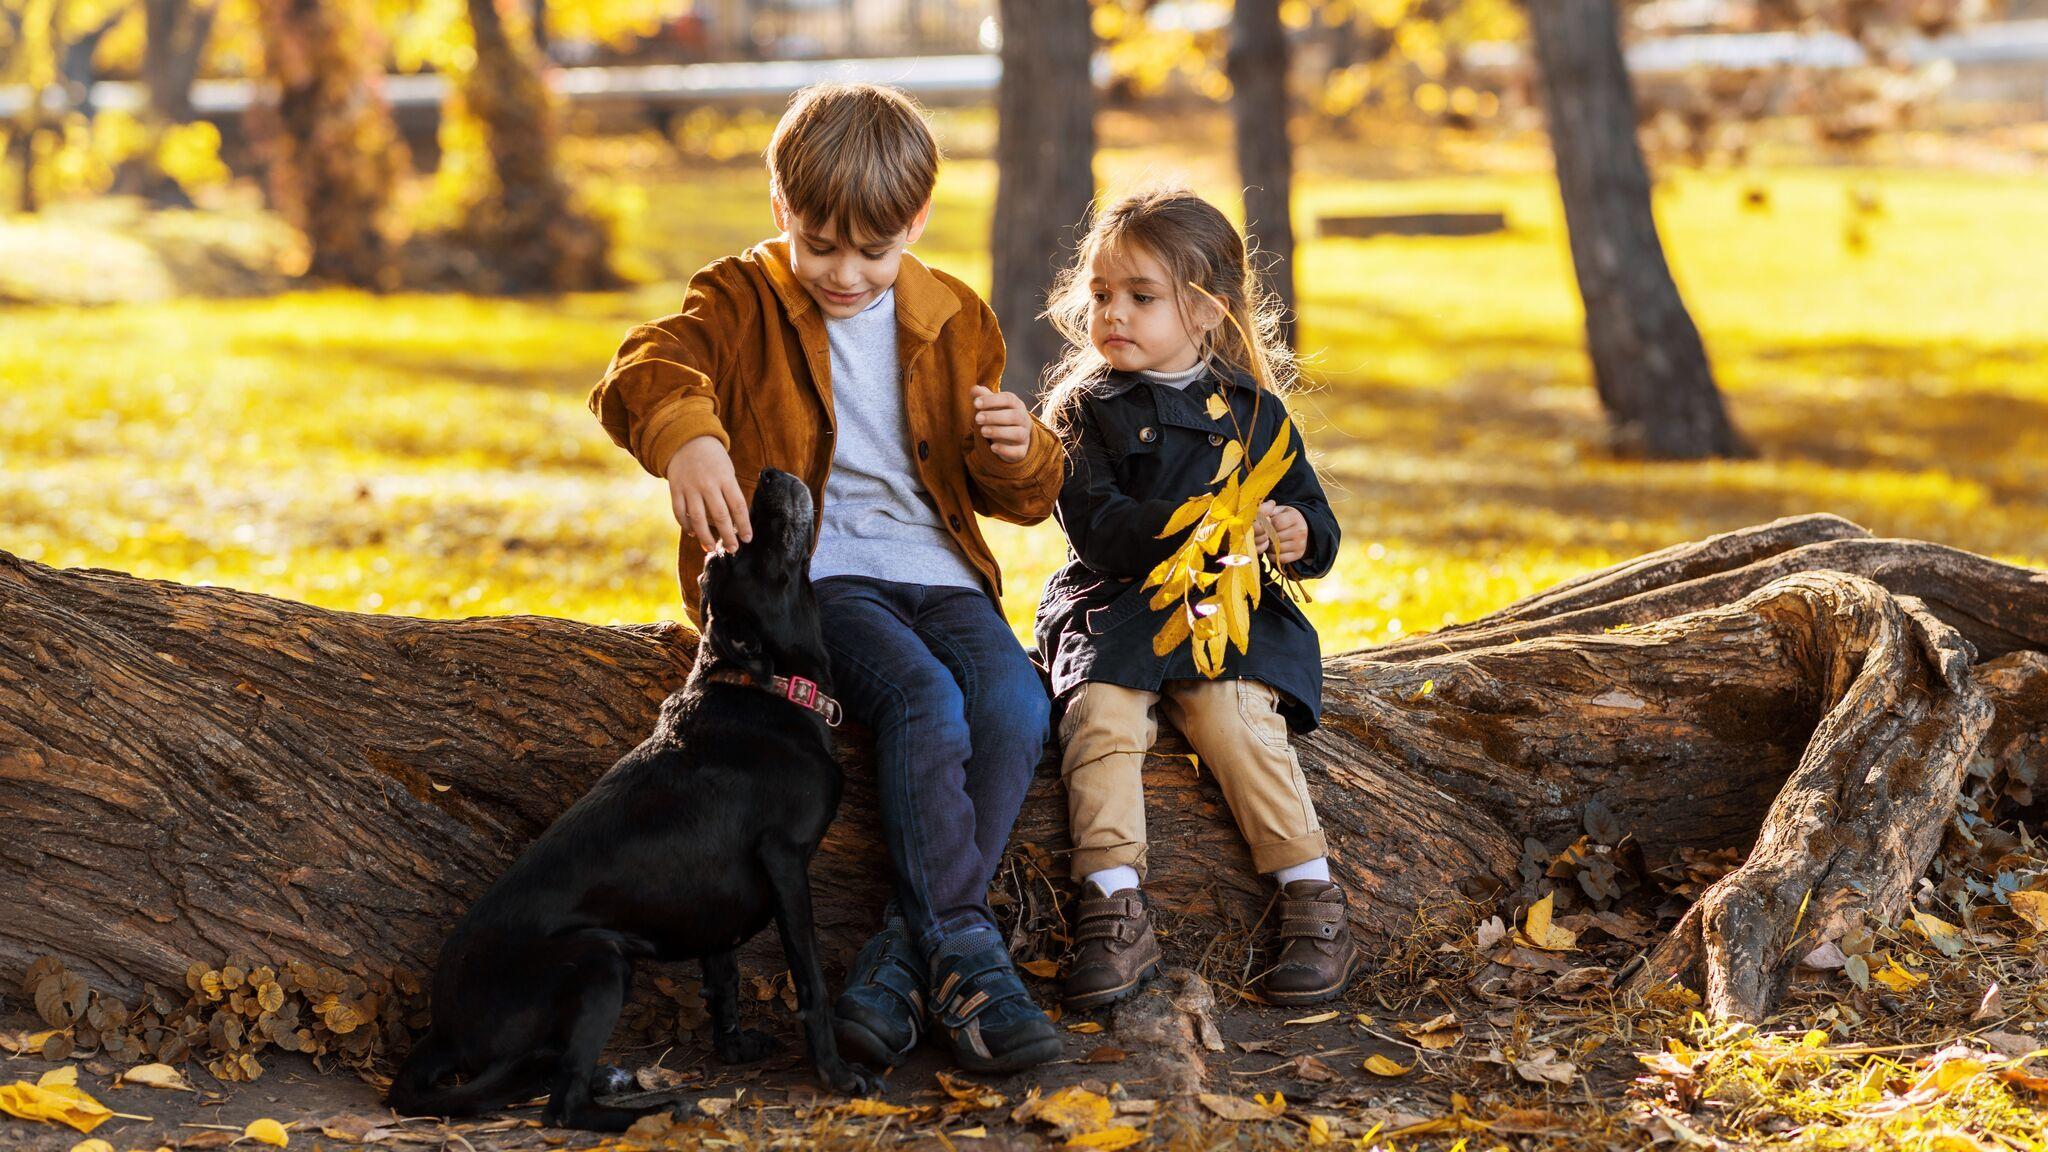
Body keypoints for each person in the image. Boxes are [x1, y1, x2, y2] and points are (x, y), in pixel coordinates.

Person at [588, 82, 1066, 1073]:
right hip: (813, 578)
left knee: (1016, 704)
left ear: (916, 223)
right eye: (819, 246)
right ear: (780, 211)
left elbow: (1006, 495)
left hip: (935, 570)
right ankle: (966, 951)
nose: (843, 274)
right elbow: (645, 366)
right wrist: (686, 441)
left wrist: (1024, 450)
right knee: (926, 700)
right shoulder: (738, 298)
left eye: (872, 251)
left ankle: (905, 958)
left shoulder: (956, 318)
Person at [1033, 187, 1355, 1009]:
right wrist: (1196, 526)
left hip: (1228, 608)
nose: (1115, 314)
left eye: (1142, 298)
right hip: (1117, 603)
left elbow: (1316, 525)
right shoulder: (1084, 410)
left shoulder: (1256, 416)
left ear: (1206, 309)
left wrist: (1292, 532)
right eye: (1102, 295)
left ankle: (1309, 891)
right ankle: (1111, 900)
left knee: (1233, 713)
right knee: (1100, 716)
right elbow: (1099, 529)